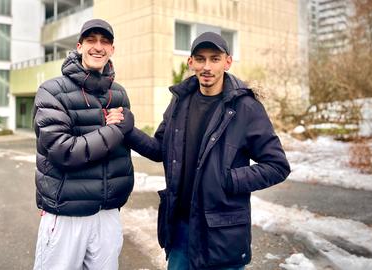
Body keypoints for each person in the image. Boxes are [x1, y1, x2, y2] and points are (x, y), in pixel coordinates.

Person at [125, 32, 291, 269]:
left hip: (221, 232)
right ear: (190, 62)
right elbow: (161, 150)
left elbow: (277, 166)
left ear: (228, 62)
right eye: (200, 59)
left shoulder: (246, 108)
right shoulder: (180, 102)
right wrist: (129, 131)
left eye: (215, 59)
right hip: (180, 229)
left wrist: (229, 179)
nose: (207, 66)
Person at [32, 19, 135, 270]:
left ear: (112, 49)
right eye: (91, 40)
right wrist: (115, 130)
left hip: (107, 212)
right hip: (67, 212)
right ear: (79, 46)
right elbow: (63, 151)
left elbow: (122, 146)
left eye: (105, 41)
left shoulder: (118, 93)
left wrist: (129, 125)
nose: (98, 47)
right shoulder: (51, 91)